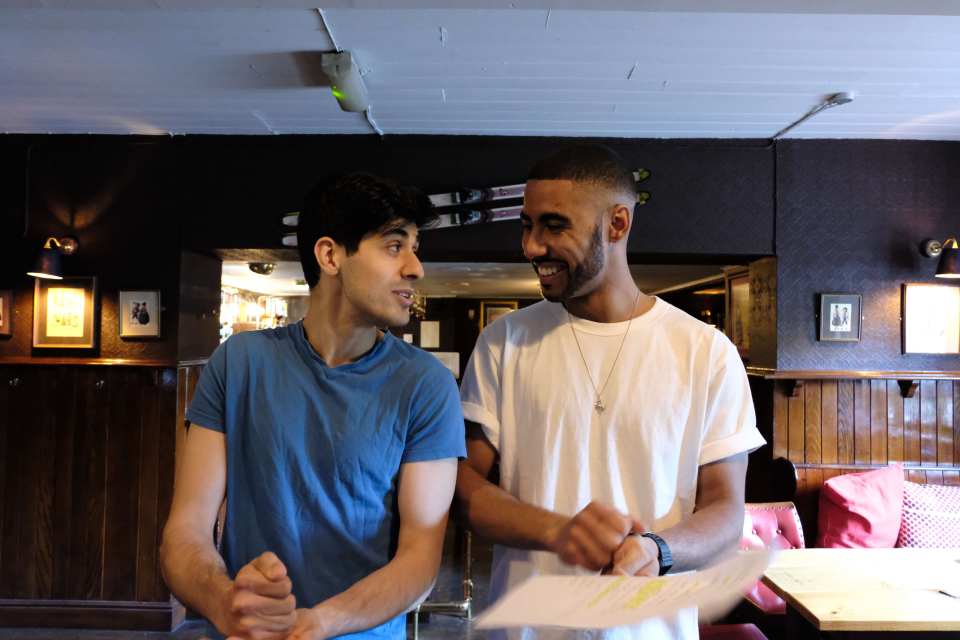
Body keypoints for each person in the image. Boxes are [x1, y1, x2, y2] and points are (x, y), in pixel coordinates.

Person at [456, 145, 765, 640]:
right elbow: (461, 486)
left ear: (617, 224)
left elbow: (726, 513)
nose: (531, 246)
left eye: (554, 226)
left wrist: (657, 549)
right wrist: (558, 531)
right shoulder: (503, 342)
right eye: (527, 226)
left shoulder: (706, 352)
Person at [161, 173, 466, 640]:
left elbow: (419, 559)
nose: (415, 268)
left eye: (415, 247)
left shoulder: (426, 385)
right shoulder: (239, 362)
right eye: (394, 246)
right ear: (330, 256)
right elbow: (185, 533)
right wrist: (226, 604)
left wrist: (316, 623)